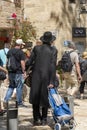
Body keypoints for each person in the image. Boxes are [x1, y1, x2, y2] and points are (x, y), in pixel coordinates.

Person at [26, 31, 58, 126]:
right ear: (51, 41)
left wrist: (26, 69)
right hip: (47, 76)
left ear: (43, 40)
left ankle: (36, 119)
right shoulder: (53, 50)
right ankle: (44, 119)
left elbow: (30, 61)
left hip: (36, 75)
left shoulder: (36, 48)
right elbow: (53, 66)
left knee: (35, 96)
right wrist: (52, 80)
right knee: (45, 97)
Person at [4, 39, 27, 107]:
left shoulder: (10, 51)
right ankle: (19, 103)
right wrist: (24, 71)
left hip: (11, 72)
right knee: (19, 87)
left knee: (11, 86)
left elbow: (7, 61)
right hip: (18, 72)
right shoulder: (21, 52)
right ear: (20, 45)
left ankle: (6, 100)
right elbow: (22, 62)